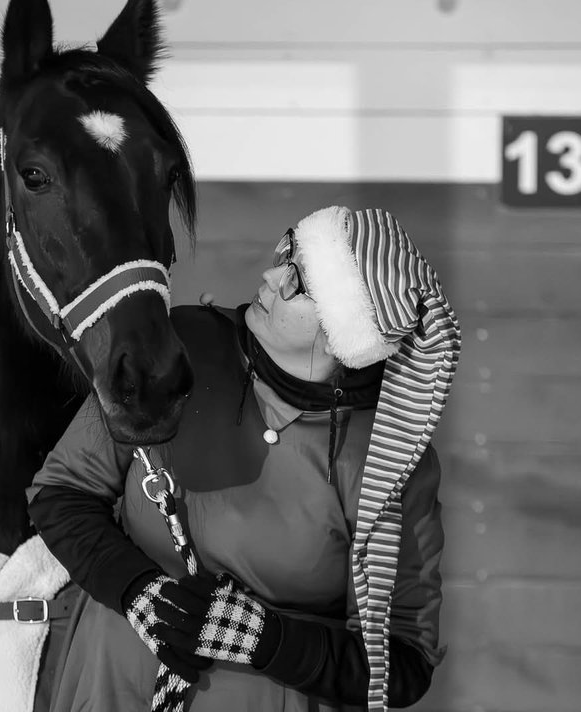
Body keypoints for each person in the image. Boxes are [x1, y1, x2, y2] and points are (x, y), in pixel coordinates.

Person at [27, 206, 461, 711]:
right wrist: (138, 592)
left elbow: (403, 662)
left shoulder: (389, 458)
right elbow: (60, 493)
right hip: (110, 689)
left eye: (298, 281)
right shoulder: (180, 348)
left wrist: (265, 640)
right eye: (285, 252)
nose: (270, 276)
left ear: (345, 332)